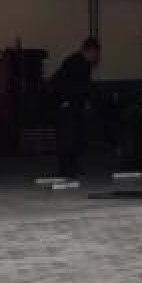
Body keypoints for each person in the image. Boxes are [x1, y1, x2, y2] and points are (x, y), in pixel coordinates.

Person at [49, 36, 101, 181]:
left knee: (77, 136)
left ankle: (72, 166)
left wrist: (85, 102)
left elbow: (83, 86)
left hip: (75, 104)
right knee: (67, 137)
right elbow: (61, 83)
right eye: (95, 53)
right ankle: (66, 169)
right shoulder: (73, 62)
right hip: (66, 104)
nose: (96, 57)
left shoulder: (85, 65)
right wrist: (64, 101)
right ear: (88, 51)